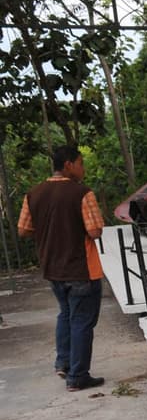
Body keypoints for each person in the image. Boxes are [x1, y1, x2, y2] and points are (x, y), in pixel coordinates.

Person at [17, 145, 106, 391]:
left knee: (65, 314)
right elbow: (95, 231)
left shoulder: (33, 194)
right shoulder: (81, 193)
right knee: (82, 321)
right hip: (80, 268)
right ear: (68, 165)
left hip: (52, 267)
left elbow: (23, 230)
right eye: (80, 163)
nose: (83, 168)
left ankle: (64, 363)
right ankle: (78, 376)